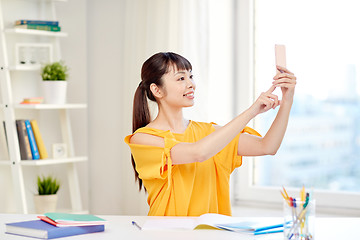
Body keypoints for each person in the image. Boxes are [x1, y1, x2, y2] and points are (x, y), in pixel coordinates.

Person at [124, 52, 296, 216]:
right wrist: (252, 111)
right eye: (181, 78)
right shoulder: (143, 139)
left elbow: (267, 146)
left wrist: (287, 99)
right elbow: (198, 153)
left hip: (212, 233)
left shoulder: (209, 133)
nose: (191, 84)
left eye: (191, 77)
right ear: (157, 90)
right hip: (166, 234)